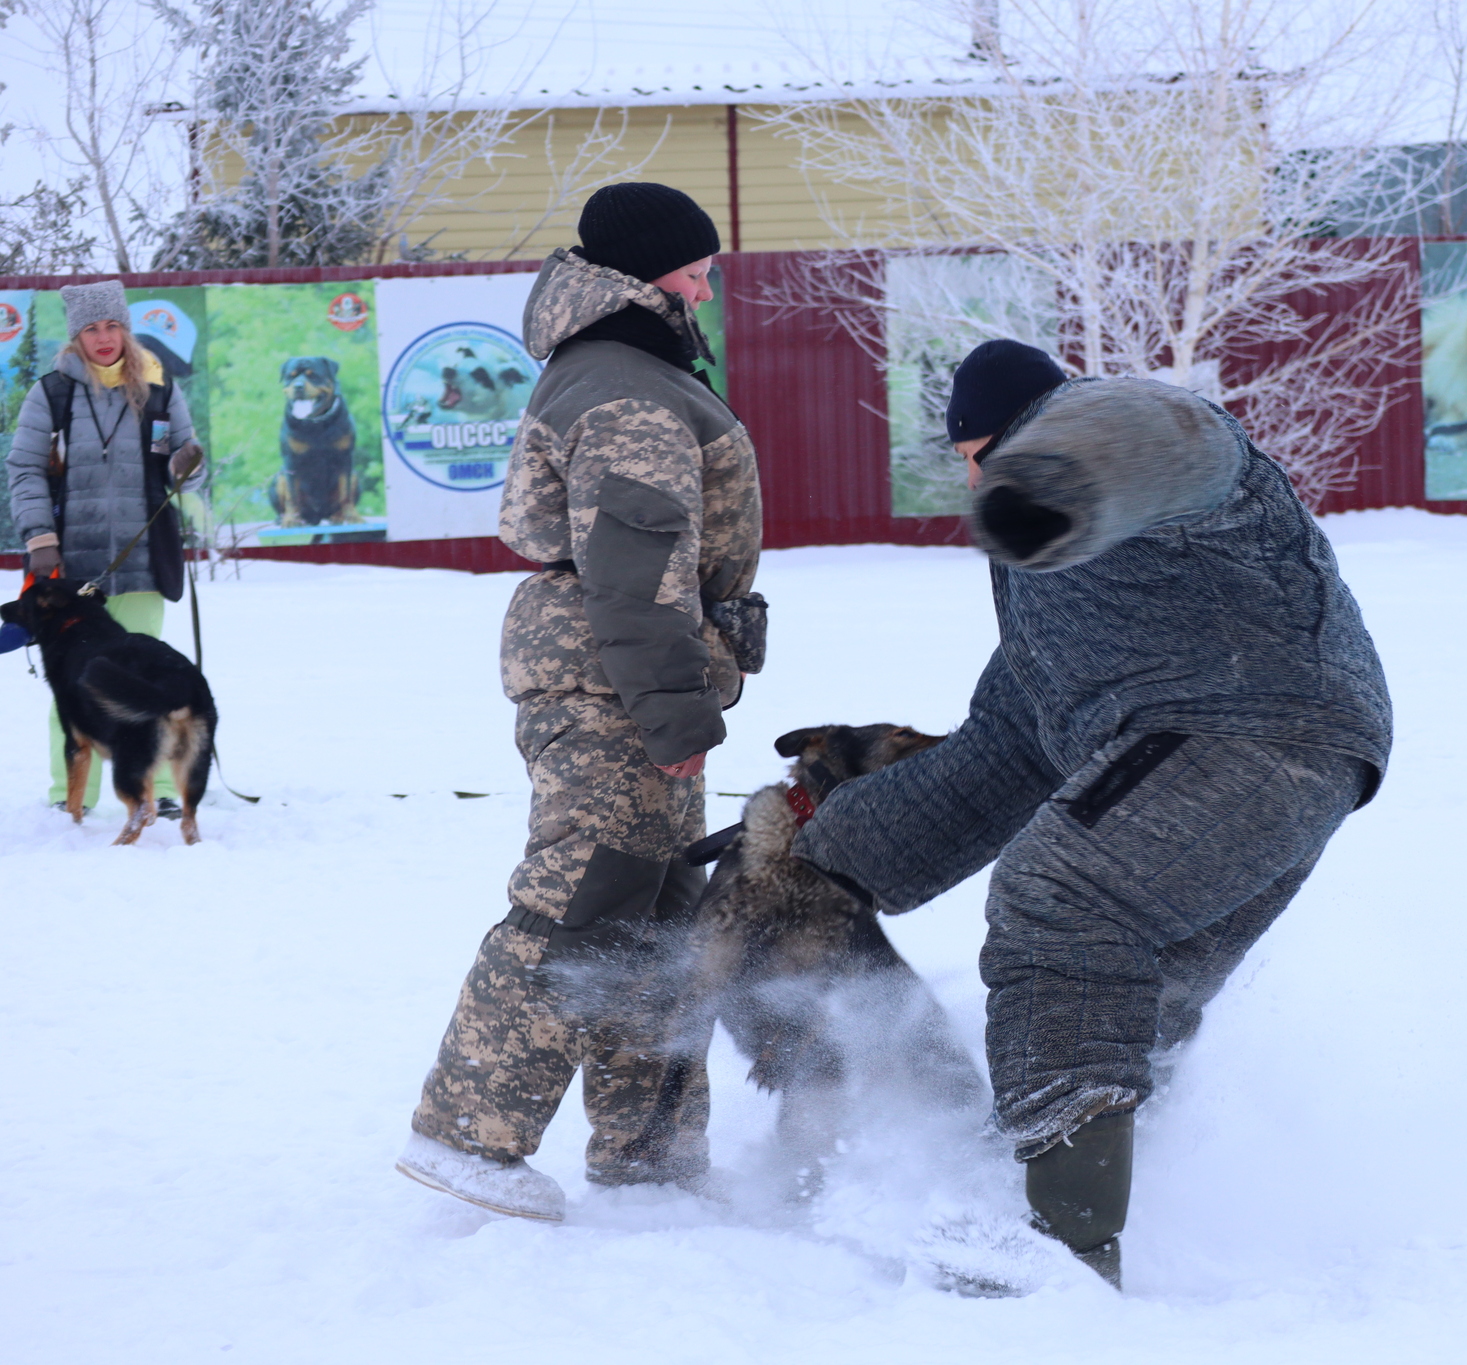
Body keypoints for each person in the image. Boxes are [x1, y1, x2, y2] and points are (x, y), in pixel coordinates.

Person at [789, 340, 1393, 1287]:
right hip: (1264, 759)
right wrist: (836, 852)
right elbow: (1008, 744)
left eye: (978, 451)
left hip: (1250, 726)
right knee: (1135, 1003)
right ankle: (1094, 1213)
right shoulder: (1052, 601)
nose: (971, 476)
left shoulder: (1154, 442)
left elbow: (1153, 431)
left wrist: (1045, 474)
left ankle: (1060, 1247)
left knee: (1060, 902)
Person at [397, 183, 765, 1221]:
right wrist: (673, 708)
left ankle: (650, 1152)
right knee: (582, 899)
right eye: (693, 266)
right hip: (616, 678)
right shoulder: (627, 389)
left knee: (656, 917)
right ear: (647, 274)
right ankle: (467, 1138)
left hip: (625, 674)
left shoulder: (626, 366)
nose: (706, 281)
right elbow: (634, 565)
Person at [5, 280, 204, 815]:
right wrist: (40, 539)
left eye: (112, 325)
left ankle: (159, 790)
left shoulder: (160, 392)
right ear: (77, 336)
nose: (104, 337)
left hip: (141, 563)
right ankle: (69, 796)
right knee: (72, 682)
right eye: (91, 328)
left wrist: (188, 468)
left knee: (143, 677)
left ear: (125, 328)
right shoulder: (52, 393)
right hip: (70, 568)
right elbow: (23, 469)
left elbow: (186, 472)